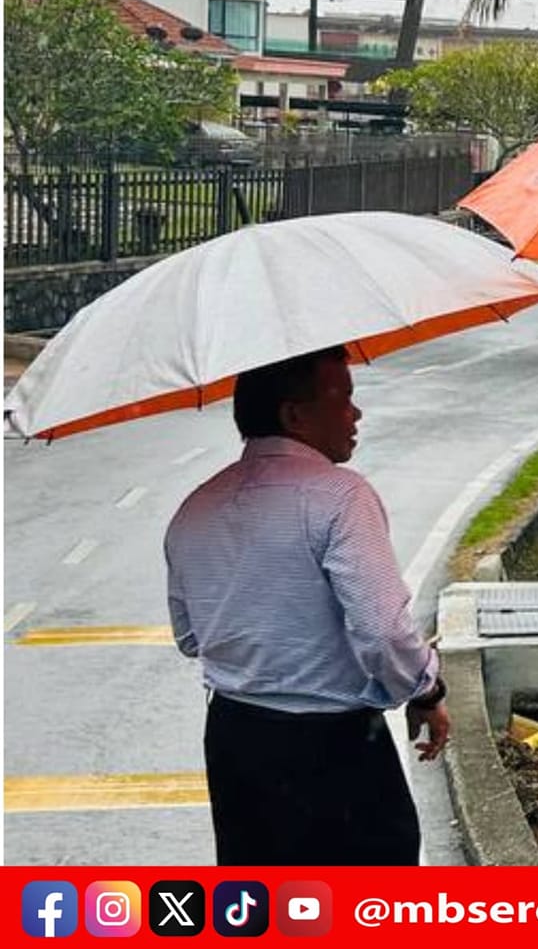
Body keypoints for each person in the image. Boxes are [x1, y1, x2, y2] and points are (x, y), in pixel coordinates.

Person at [164, 346, 448, 866]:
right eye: (343, 398)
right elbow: (383, 632)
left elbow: (189, 638)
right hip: (333, 750)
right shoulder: (340, 498)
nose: (355, 414)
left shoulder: (194, 508)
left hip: (235, 742)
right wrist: (427, 687)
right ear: (294, 415)